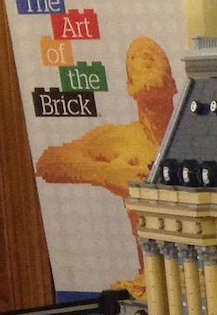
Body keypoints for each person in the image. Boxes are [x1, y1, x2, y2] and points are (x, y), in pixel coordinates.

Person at [35, 36, 178, 293]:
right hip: (154, 284)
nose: (145, 57)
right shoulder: (118, 139)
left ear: (174, 84)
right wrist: (106, 174)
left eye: (154, 55)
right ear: (129, 85)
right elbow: (48, 161)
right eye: (135, 57)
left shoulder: (196, 136)